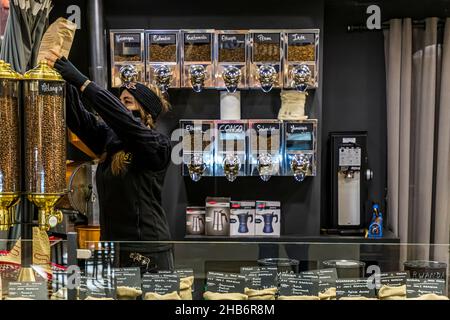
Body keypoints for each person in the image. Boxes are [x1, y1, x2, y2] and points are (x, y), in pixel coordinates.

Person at [46, 52, 173, 273]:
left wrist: (83, 82)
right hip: (114, 247)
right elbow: (80, 120)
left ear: (145, 111)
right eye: (119, 101)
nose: (119, 107)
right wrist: (63, 80)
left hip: (148, 248)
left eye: (126, 102)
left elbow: (123, 120)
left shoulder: (156, 145)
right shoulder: (110, 141)